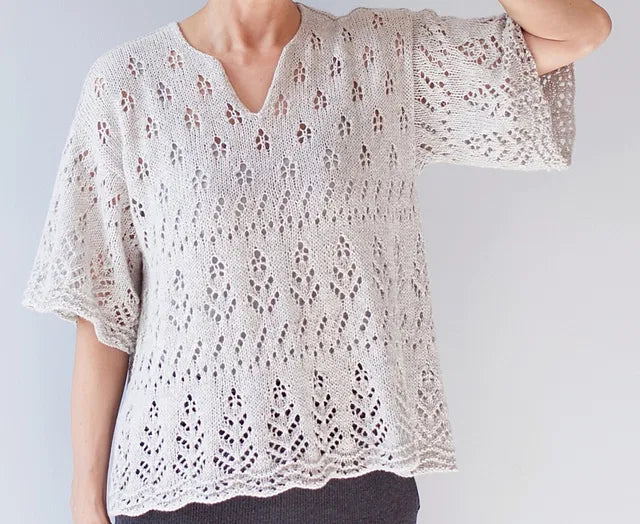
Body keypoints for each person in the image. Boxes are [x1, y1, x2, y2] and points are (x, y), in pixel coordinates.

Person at [21, 1, 610, 523]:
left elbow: (579, 31)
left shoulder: (380, 57)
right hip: (178, 479)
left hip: (357, 474)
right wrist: (85, 497)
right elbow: (102, 308)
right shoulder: (126, 85)